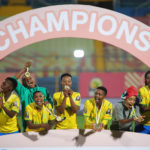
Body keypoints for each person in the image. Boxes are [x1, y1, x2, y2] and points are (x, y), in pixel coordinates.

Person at [12, 61, 53, 131]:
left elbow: (50, 105)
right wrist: (25, 69)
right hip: (29, 127)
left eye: (30, 78)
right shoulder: (23, 91)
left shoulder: (43, 90)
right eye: (25, 80)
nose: (28, 80)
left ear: (34, 79)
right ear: (23, 83)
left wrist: (48, 103)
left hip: (44, 127)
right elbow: (12, 80)